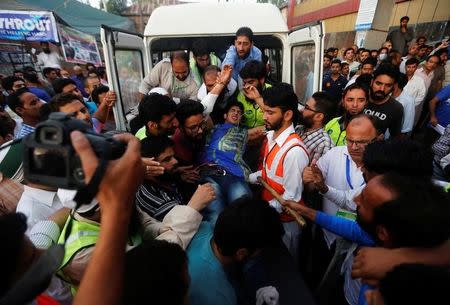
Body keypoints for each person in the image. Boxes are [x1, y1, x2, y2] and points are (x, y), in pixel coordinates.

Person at [249, 83, 309, 262]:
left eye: (269, 112)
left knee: (284, 266)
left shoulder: (294, 152)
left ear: (288, 115)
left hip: (286, 225)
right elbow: (266, 174)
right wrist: (243, 176)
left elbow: (291, 197)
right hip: (271, 217)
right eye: (264, 110)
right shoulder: (271, 137)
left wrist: (261, 210)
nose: (263, 116)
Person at [187, 197, 283, 305]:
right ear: (241, 253)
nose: (260, 254)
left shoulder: (201, 227)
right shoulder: (221, 297)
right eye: (260, 250)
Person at [135, 135, 215, 223]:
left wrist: (179, 177)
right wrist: (197, 201)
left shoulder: (163, 177)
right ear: (150, 166)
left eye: (173, 157)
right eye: (167, 159)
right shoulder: (156, 200)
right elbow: (182, 224)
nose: (175, 161)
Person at [201, 100, 253, 224]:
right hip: (210, 174)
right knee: (215, 217)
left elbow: (268, 127)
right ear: (225, 115)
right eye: (233, 111)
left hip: (233, 175)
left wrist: (257, 99)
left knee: (243, 213)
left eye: (239, 112)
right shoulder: (213, 128)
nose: (236, 114)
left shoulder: (244, 132)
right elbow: (204, 110)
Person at [363, 64, 404, 138]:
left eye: (388, 85)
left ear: (393, 86)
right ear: (372, 81)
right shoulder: (360, 97)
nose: (382, 89)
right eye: (378, 83)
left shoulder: (396, 108)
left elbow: (395, 136)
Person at [296, 91, 335, 160]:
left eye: (307, 108)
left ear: (319, 116)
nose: (302, 110)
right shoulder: (299, 128)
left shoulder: (325, 145)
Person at [236, 60, 271, 129]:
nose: (246, 87)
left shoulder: (273, 92)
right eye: (244, 83)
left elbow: (274, 117)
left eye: (251, 82)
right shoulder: (241, 96)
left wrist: (257, 99)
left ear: (262, 80)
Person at [402, 58, 426, 125]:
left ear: (416, 68)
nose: (410, 69)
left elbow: (421, 95)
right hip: (396, 107)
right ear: (405, 67)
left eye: (413, 67)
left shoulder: (420, 81)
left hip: (409, 110)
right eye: (408, 67)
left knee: (404, 126)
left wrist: (411, 105)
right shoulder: (399, 77)